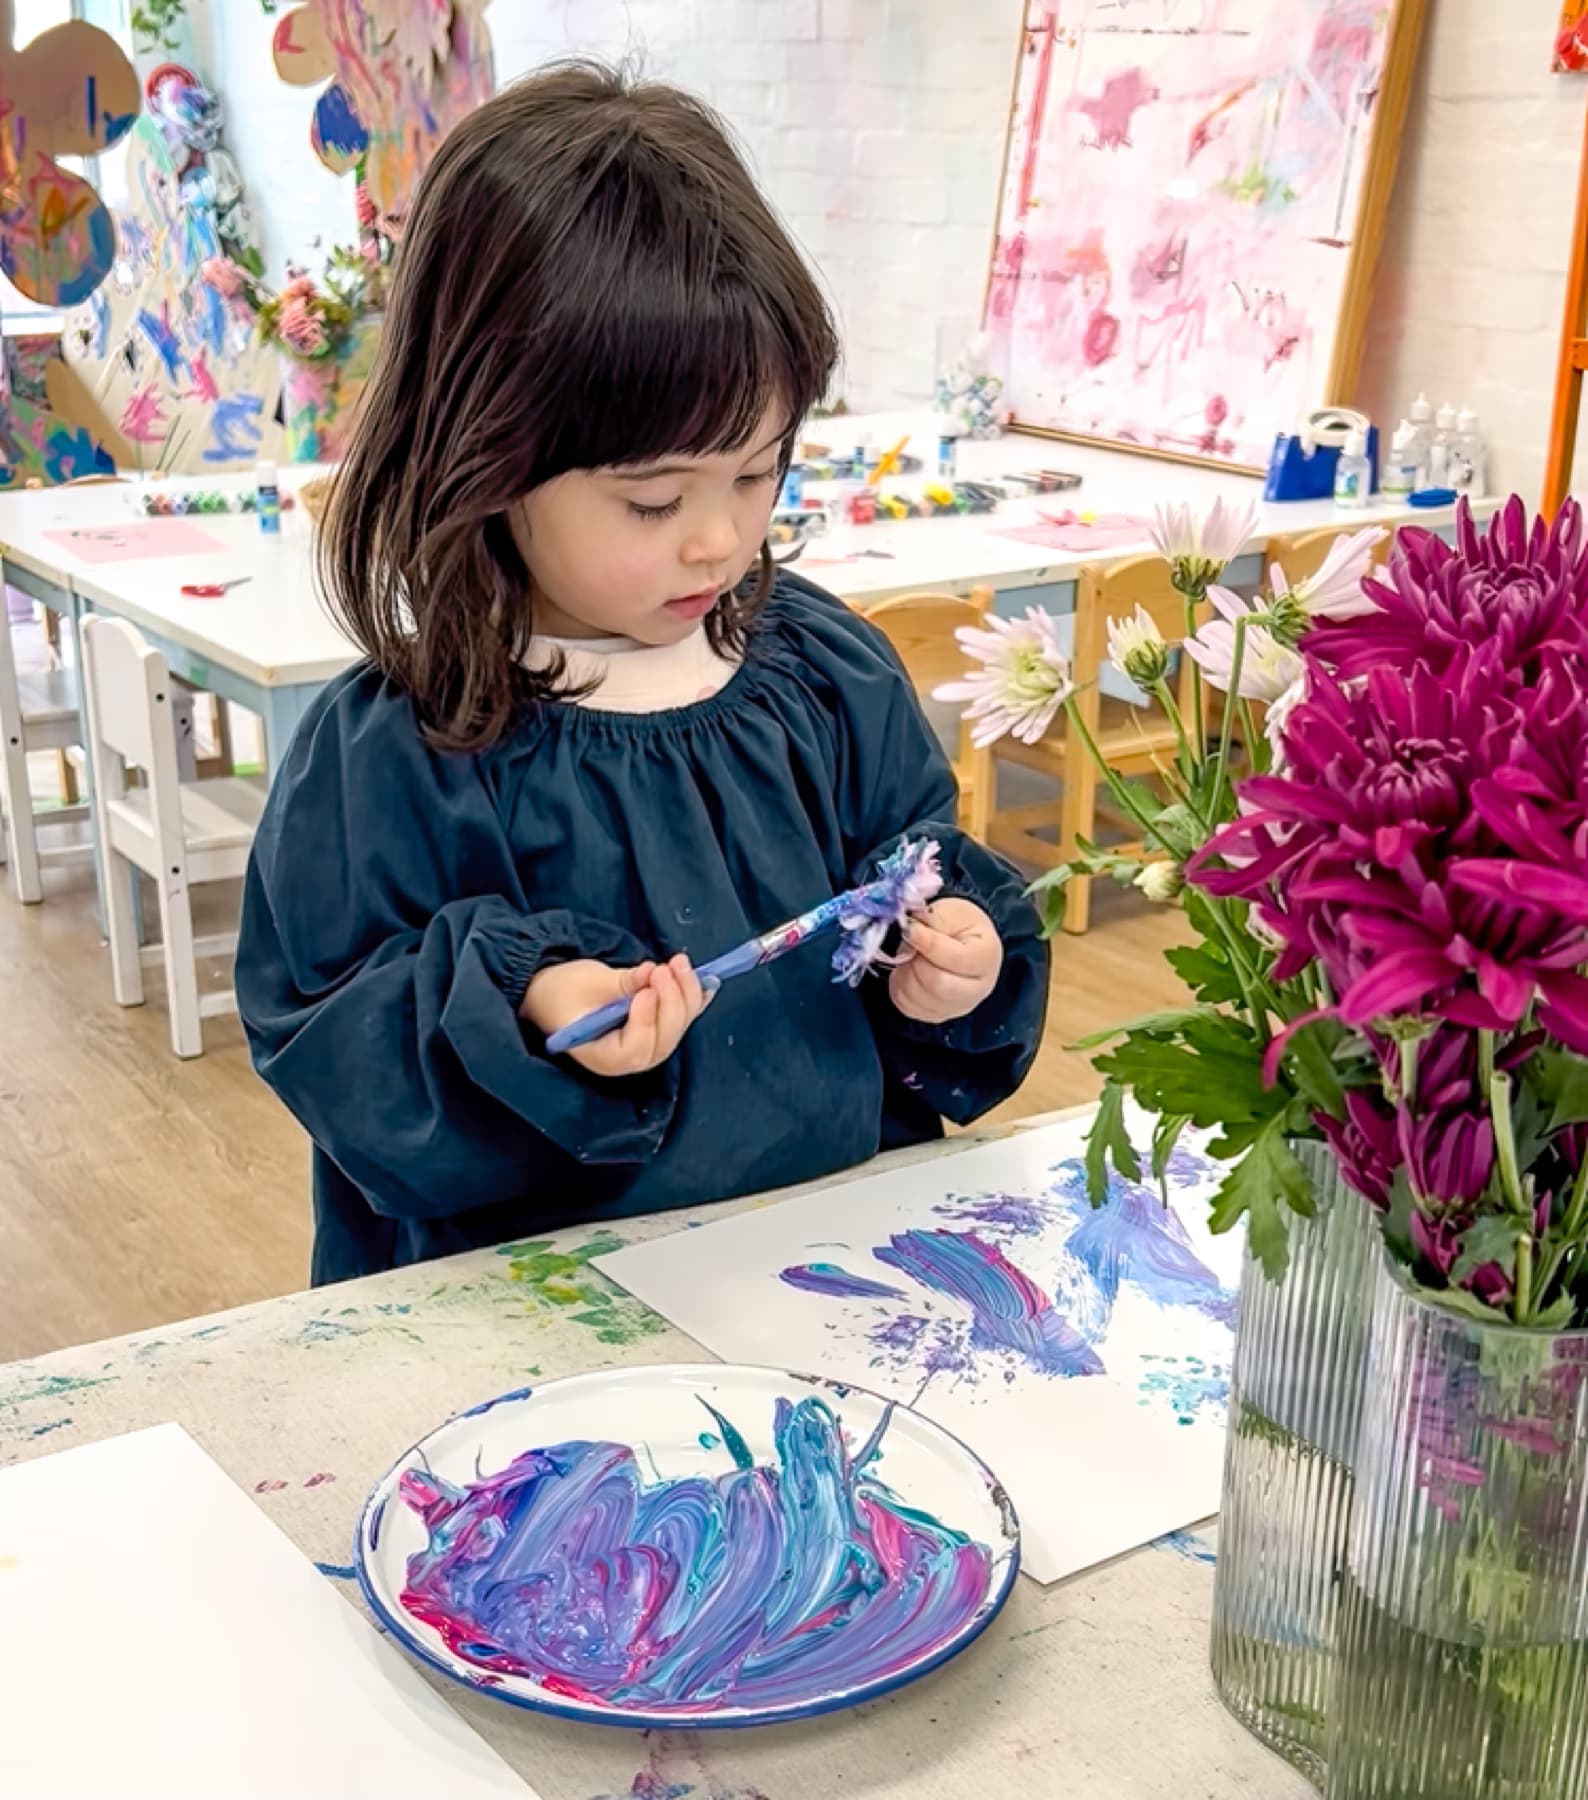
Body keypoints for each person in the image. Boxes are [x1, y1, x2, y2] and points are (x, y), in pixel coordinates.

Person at [236, 63, 1050, 1285]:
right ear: (486, 457)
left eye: (760, 472)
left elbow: (915, 871)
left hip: (829, 1275)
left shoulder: (824, 676)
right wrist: (527, 1008)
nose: (718, 538)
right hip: (545, 1315)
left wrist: (956, 967)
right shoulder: (400, 754)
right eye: (655, 498)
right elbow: (334, 1043)